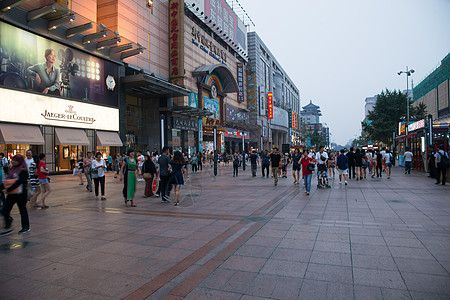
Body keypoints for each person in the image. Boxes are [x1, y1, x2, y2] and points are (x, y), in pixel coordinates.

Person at [2, 154, 30, 234]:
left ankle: (25, 227)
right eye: (13, 160)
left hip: (20, 194)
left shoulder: (23, 170)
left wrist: (8, 189)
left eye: (15, 160)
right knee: (5, 209)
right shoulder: (12, 169)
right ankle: (8, 222)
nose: (13, 162)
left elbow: (19, 182)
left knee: (22, 210)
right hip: (12, 193)